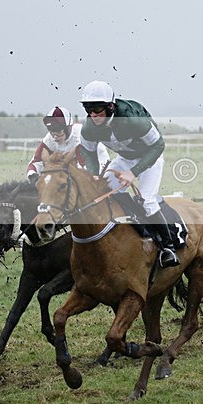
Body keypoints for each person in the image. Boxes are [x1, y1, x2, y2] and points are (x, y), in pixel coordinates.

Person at [78, 80, 180, 267]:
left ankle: (168, 248)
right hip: (124, 158)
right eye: (88, 109)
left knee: (147, 201)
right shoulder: (89, 127)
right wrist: (93, 173)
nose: (93, 115)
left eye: (98, 108)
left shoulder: (132, 119)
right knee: (103, 193)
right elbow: (88, 152)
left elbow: (158, 145)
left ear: (111, 106)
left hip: (150, 158)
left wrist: (133, 172)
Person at [26, 106, 109, 183]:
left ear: (68, 128)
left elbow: (84, 166)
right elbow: (36, 161)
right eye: (52, 132)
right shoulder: (49, 138)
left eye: (58, 132)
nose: (55, 137)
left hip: (98, 164)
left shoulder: (81, 136)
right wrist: (32, 175)